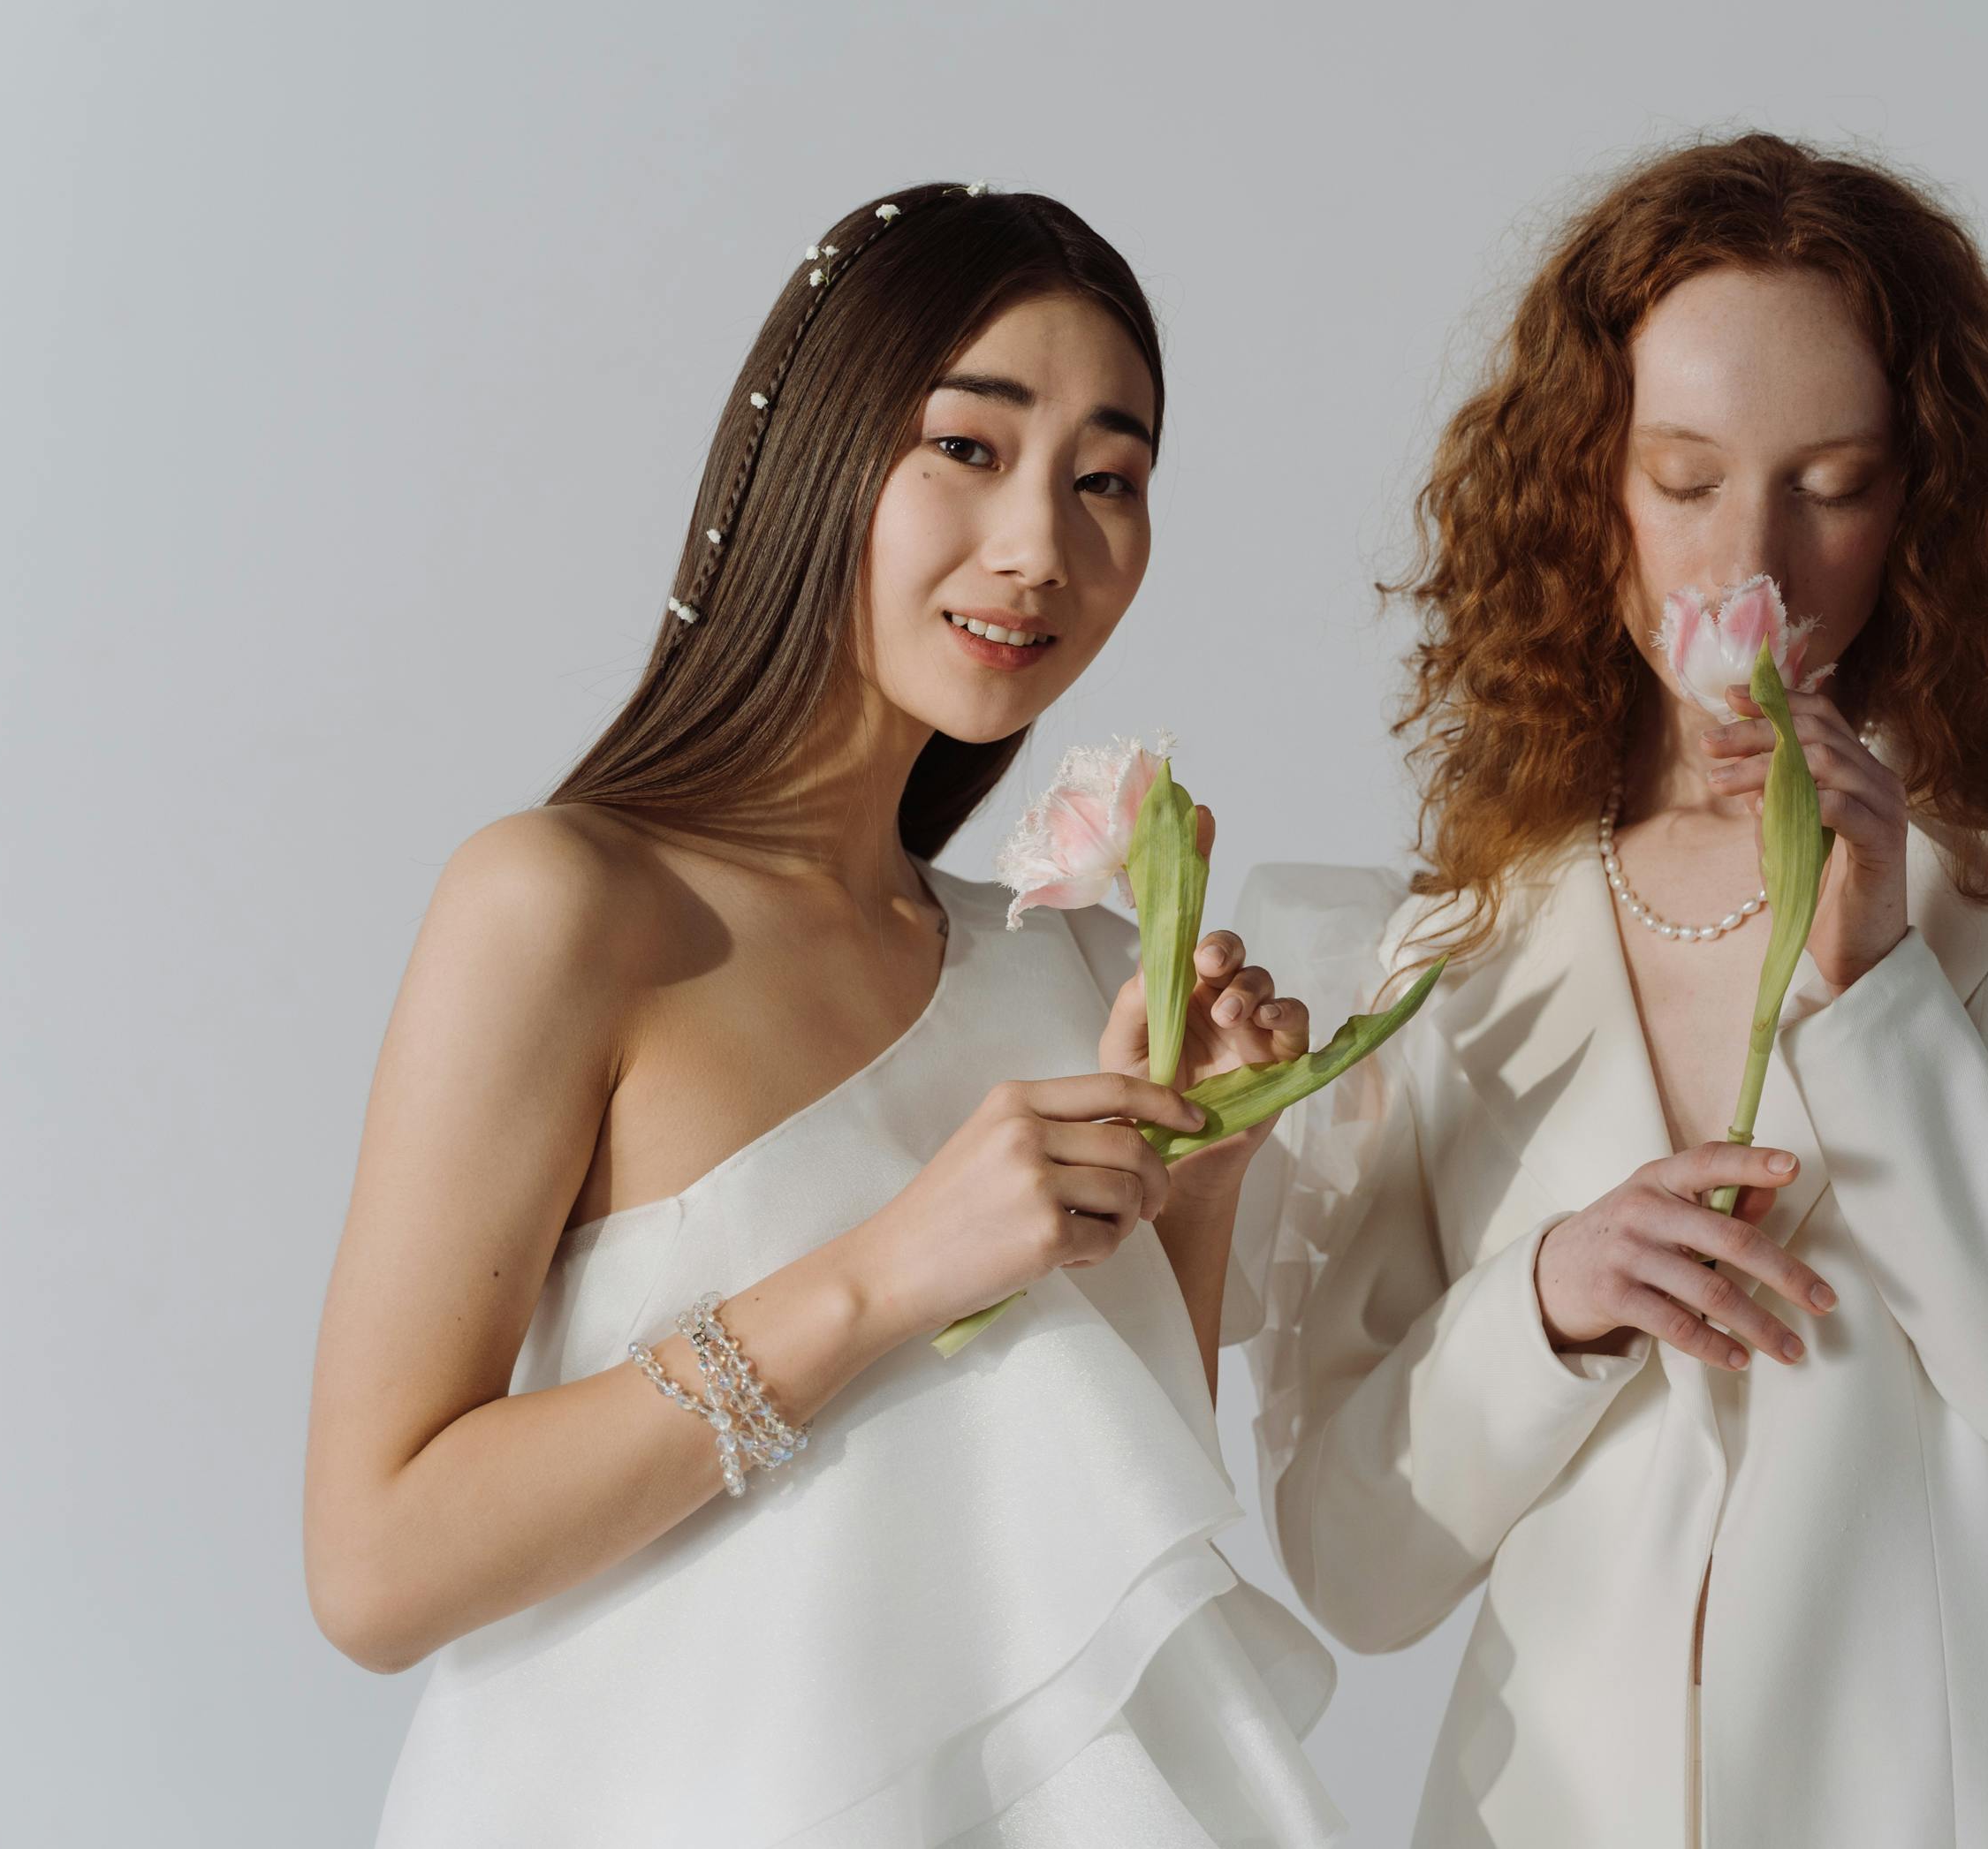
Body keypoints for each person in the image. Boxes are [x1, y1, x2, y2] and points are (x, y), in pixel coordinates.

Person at [1235, 133, 1988, 1846]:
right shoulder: (1461, 953)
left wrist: (1875, 997)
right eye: (1684, 476)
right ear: (1588, 491)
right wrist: (1547, 1301)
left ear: (1926, 495)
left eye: (1836, 482)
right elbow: (1355, 1569)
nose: (1754, 564)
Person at [305, 182, 1343, 1848]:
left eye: (1108, 481)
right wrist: (884, 1267)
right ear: (818, 454)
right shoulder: (565, 906)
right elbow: (373, 1566)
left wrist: (1201, 1169)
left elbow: (1097, 1511)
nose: (1040, 547)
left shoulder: (1060, 963)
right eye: (969, 447)